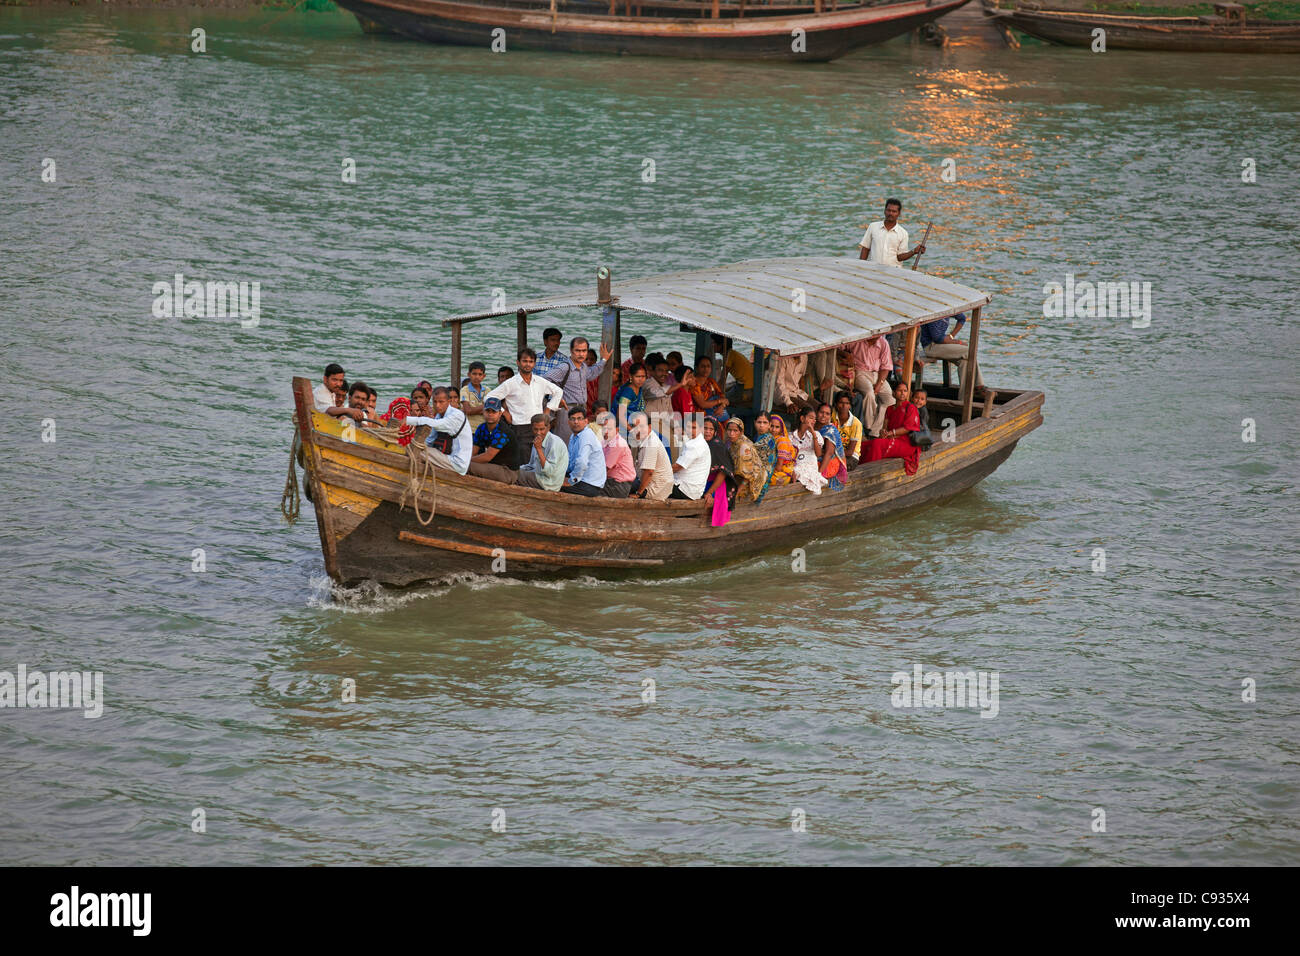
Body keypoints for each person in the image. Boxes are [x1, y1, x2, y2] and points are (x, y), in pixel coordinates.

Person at [485, 348, 566, 467]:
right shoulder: (510, 383)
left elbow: (558, 391)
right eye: (525, 361)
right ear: (518, 362)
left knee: (540, 457)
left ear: (534, 363)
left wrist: (548, 410)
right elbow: (489, 397)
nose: (528, 364)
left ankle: (536, 483)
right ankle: (524, 483)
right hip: (520, 428)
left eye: (531, 361)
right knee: (524, 461)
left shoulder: (540, 381)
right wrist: (504, 412)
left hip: (539, 426)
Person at [544, 335, 612, 440]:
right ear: (571, 351)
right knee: (565, 441)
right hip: (567, 410)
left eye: (584, 351)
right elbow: (544, 380)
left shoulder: (583, 366)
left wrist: (604, 360)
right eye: (578, 351)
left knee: (579, 441)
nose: (581, 354)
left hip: (581, 410)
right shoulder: (564, 367)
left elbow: (592, 373)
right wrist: (556, 398)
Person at [406, 386, 471, 474]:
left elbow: (436, 424)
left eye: (441, 402)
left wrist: (407, 420)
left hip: (457, 463)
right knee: (414, 448)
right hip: (446, 457)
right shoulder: (439, 416)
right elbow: (430, 440)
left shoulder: (457, 415)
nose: (437, 405)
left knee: (417, 451)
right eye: (435, 402)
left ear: (449, 402)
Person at [864, 382, 923, 476]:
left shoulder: (911, 408)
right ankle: (859, 468)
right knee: (864, 445)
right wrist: (883, 432)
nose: (903, 393)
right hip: (892, 439)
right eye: (900, 390)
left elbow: (908, 428)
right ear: (894, 393)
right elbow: (885, 428)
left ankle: (869, 473)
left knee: (877, 444)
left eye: (905, 391)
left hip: (906, 443)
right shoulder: (889, 409)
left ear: (908, 393)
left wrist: (891, 433)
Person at [919, 312, 983, 390]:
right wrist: (958, 342)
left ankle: (963, 397)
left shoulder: (948, 308)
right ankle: (979, 385)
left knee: (964, 362)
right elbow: (938, 338)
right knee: (969, 351)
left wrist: (951, 335)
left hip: (941, 345)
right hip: (931, 347)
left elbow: (962, 318)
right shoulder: (934, 311)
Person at [849, 333, 895, 437]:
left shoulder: (883, 343)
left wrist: (880, 383)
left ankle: (875, 431)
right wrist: (846, 356)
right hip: (861, 372)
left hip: (878, 374)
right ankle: (868, 426)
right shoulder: (857, 340)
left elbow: (886, 367)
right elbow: (839, 347)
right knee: (869, 393)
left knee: (890, 401)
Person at [858, 198, 925, 267]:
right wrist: (861, 267)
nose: (890, 213)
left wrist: (914, 251)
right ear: (884, 211)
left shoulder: (903, 233)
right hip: (873, 270)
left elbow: (899, 257)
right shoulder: (873, 227)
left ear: (899, 213)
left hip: (893, 273)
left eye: (894, 211)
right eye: (888, 210)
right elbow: (865, 249)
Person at [467, 398, 518, 484]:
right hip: (493, 466)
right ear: (483, 412)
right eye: (487, 411)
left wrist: (466, 461)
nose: (490, 414)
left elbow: (487, 457)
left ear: (500, 413)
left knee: (467, 466)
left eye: (494, 412)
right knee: (464, 464)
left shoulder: (502, 431)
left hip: (507, 472)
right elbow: (473, 452)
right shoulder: (481, 428)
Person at [516, 413, 568, 491]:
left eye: (542, 429)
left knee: (514, 476)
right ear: (531, 428)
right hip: (538, 475)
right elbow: (531, 465)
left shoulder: (554, 443)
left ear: (548, 427)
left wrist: (539, 449)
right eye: (535, 429)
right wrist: (516, 468)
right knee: (512, 472)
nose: (538, 433)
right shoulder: (537, 440)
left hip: (549, 482)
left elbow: (549, 472)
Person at [561, 407, 607, 496]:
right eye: (572, 419)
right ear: (568, 422)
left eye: (579, 419)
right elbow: (570, 461)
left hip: (590, 485)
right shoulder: (573, 436)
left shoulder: (586, 436)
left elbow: (582, 462)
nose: (576, 422)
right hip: (581, 479)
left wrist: (571, 481)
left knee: (552, 485)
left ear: (586, 421)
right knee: (552, 478)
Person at [724, 418, 770, 504]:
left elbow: (748, 475)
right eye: (729, 430)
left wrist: (737, 492)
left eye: (735, 431)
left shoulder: (743, 447)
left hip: (752, 480)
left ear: (741, 432)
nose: (731, 434)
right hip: (740, 476)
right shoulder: (733, 443)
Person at [628, 411, 672, 501]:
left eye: (641, 426)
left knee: (620, 485)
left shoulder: (652, 443)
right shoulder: (643, 438)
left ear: (650, 427)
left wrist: (638, 493)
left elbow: (649, 472)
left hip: (656, 489)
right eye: (634, 426)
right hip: (652, 484)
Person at [790, 406, 830, 494]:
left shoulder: (816, 434)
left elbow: (819, 453)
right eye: (811, 418)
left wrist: (813, 434)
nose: (814, 421)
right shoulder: (791, 436)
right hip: (796, 465)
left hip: (810, 466)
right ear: (802, 418)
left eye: (815, 419)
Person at [669, 416, 711, 500]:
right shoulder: (694, 441)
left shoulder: (695, 445)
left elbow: (677, 467)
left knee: (650, 484)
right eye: (688, 427)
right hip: (691, 490)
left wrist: (659, 473)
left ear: (701, 428)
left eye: (694, 427)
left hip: (685, 490)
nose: (690, 430)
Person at [597, 411, 636, 498]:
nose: (605, 431)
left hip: (619, 486)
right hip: (611, 482)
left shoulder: (618, 443)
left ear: (617, 429)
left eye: (609, 429)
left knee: (589, 489)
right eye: (603, 428)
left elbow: (604, 469)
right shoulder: (605, 441)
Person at [711, 334, 753, 404]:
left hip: (745, 390)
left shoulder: (729, 356)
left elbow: (722, 379)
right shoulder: (732, 353)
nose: (712, 345)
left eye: (714, 343)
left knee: (717, 400)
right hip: (745, 386)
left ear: (720, 345)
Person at [816, 402, 848, 491]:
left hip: (829, 464)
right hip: (819, 457)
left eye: (827, 414)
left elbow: (829, 453)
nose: (823, 416)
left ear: (830, 416)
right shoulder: (814, 426)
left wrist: (819, 474)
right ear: (816, 412)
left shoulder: (830, 430)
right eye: (821, 412)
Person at [750, 412, 778, 503]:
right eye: (759, 422)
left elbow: (751, 451)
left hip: (763, 477)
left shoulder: (768, 439)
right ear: (755, 423)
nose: (761, 425)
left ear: (769, 424)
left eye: (765, 423)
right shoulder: (759, 437)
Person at [834, 391, 864, 469]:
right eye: (841, 403)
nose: (844, 406)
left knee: (831, 464)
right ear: (836, 404)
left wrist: (829, 452)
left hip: (851, 458)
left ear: (850, 405)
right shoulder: (832, 416)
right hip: (833, 453)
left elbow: (850, 452)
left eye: (847, 403)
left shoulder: (856, 423)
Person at [766, 414, 797, 488]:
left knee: (763, 479)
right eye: (771, 426)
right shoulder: (767, 439)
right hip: (771, 469)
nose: (773, 429)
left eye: (777, 427)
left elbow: (779, 466)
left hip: (782, 473)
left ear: (781, 429)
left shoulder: (781, 440)